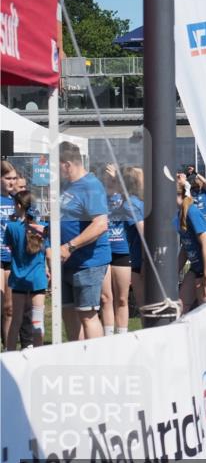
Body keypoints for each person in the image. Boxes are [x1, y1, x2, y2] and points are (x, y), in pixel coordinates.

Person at [59, 142, 111, 340]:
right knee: (68, 312)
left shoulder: (91, 186)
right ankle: (76, 353)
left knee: (87, 315)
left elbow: (100, 224)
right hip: (67, 262)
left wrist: (69, 246)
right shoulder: (67, 186)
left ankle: (95, 355)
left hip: (88, 263)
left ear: (67, 164)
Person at [3, 191, 50, 349]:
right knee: (37, 321)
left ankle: (9, 354)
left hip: (18, 279)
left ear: (18, 205)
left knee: (16, 321)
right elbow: (47, 253)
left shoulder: (11, 227)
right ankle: (39, 354)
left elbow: (10, 248)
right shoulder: (43, 228)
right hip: (38, 279)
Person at [175, 181, 206, 312]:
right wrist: (175, 271)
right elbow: (186, 247)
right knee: (180, 305)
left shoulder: (192, 212)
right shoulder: (179, 214)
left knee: (205, 310)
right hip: (196, 267)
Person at [100, 164, 132, 336]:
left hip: (122, 250)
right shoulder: (99, 197)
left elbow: (132, 202)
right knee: (106, 298)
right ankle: (108, 338)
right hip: (104, 250)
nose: (109, 181)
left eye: (113, 178)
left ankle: (122, 337)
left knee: (122, 298)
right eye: (107, 178)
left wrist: (117, 180)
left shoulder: (126, 197)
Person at [123, 166, 146, 311]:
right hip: (140, 259)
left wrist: (144, 262)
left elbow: (144, 234)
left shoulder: (130, 204)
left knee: (144, 307)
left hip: (138, 260)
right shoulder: (141, 202)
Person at [1, 160, 18, 346]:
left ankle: (8, 349)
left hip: (13, 258)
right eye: (7, 178)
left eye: (14, 178)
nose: (12, 182)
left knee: (9, 307)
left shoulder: (17, 200)